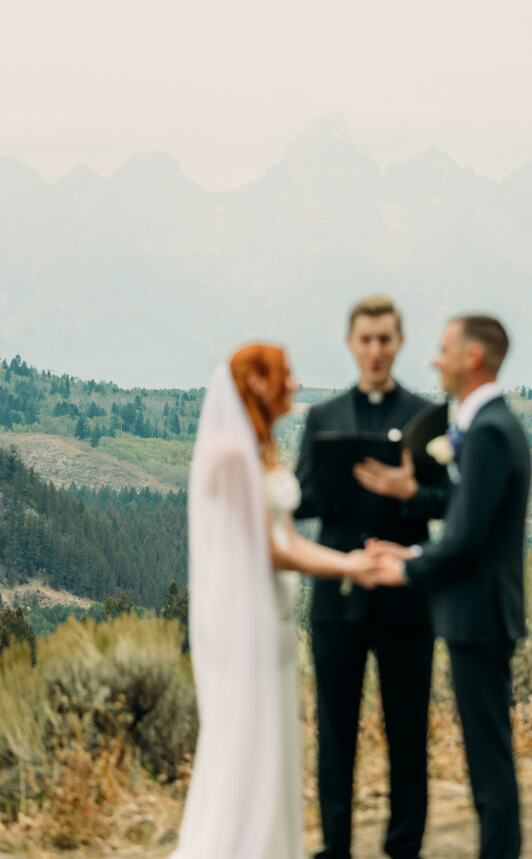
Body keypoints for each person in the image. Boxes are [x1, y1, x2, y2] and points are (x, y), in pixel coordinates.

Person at [171, 344, 378, 859]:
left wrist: (346, 559)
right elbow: (270, 552)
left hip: (272, 614)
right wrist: (349, 565)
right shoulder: (233, 453)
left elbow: (283, 538)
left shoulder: (254, 449)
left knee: (271, 737)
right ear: (259, 384)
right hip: (250, 619)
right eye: (286, 376)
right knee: (248, 740)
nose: (296, 384)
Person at [368, 315, 531, 859]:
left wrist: (407, 567)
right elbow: (463, 513)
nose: (435, 360)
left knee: (489, 770)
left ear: (473, 358)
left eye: (443, 350)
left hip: (479, 615)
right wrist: (413, 499)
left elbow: (464, 539)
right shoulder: (491, 426)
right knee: (488, 763)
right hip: (480, 614)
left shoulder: (486, 432)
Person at [295, 295, 450, 859]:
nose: (376, 350)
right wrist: (339, 484)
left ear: (399, 342)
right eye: (366, 339)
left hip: (407, 595)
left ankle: (403, 846)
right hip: (338, 596)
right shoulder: (323, 417)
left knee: (407, 729)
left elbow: (446, 502)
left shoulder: (426, 417)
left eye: (385, 339)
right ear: (351, 344)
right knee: (335, 731)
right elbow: (301, 499)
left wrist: (405, 492)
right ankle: (335, 847)